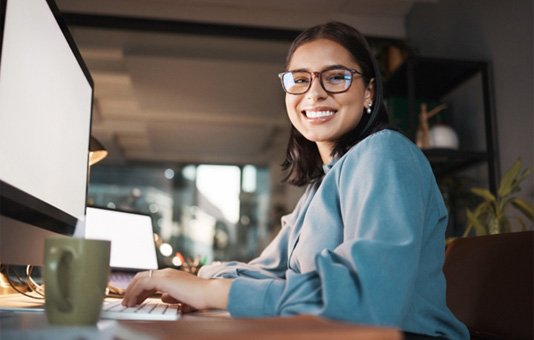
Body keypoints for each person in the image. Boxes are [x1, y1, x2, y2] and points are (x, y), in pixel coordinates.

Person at [122, 21, 469, 339]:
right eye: (300, 79)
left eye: (336, 77)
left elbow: (366, 303)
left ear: (368, 92)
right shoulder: (320, 186)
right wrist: (194, 280)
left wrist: (208, 291)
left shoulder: (385, 153)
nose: (314, 93)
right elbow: (267, 273)